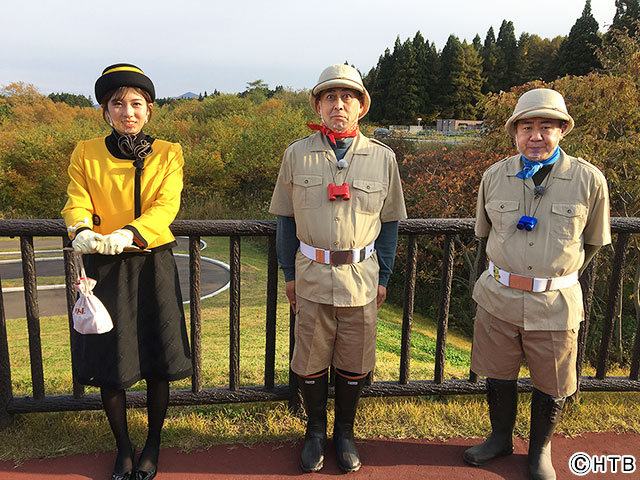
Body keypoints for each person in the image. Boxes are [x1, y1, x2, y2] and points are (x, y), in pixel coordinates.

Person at [464, 88, 610, 480]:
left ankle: (540, 450)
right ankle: (499, 438)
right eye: (526, 127)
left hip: (555, 302)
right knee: (498, 374)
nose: (535, 136)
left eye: (546, 126)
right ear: (514, 132)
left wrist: (554, 277)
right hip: (499, 298)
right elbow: (485, 233)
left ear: (562, 130)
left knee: (552, 381)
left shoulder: (589, 180)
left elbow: (593, 241)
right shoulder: (494, 177)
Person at [269, 64, 407, 473]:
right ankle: (314, 432)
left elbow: (390, 224)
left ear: (361, 107)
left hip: (361, 279)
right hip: (310, 274)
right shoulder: (296, 154)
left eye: (348, 97)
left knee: (354, 359)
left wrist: (383, 278)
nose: (339, 104)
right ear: (317, 104)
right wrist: (288, 276)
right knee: (310, 358)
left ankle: (344, 432)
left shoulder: (383, 159)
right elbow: (285, 222)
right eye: (330, 97)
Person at [62, 64, 192, 480]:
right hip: (103, 263)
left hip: (151, 260)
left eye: (136, 103)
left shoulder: (169, 152)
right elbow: (76, 199)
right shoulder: (86, 152)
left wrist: (130, 233)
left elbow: (165, 207)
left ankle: (152, 444)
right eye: (117, 103)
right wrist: (80, 228)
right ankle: (123, 448)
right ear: (105, 110)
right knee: (109, 360)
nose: (127, 111)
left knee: (158, 355)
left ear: (149, 110)